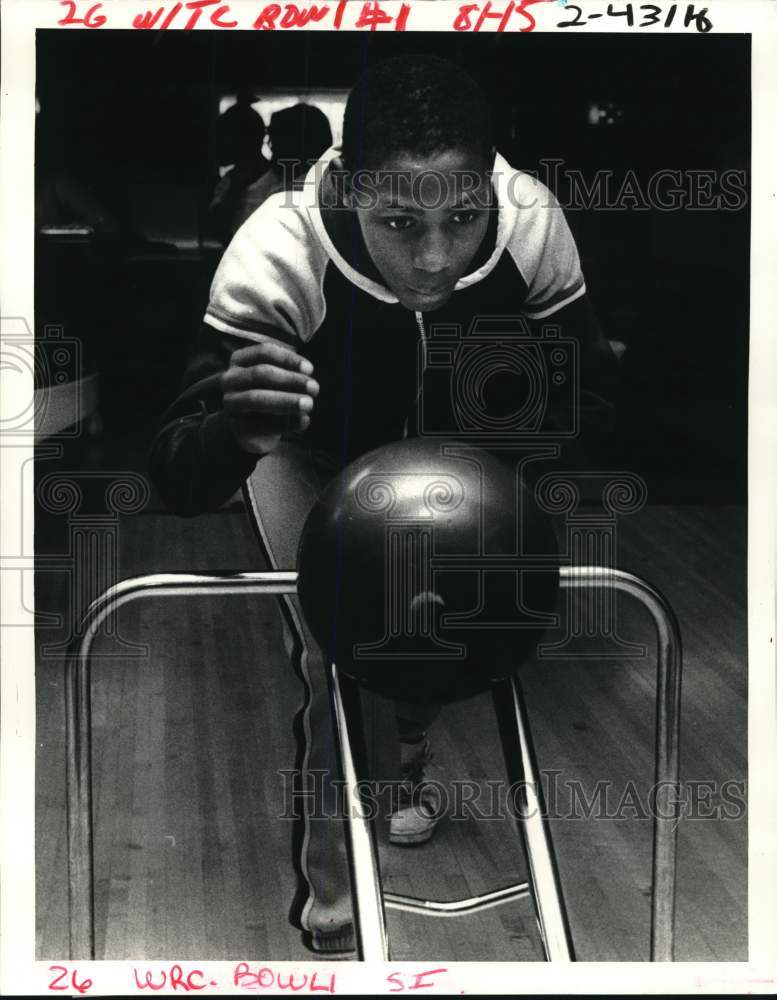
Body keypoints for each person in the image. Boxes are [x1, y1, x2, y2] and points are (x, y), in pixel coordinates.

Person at [150, 54, 619, 956]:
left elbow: (590, 407)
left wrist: (519, 437)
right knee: (334, 655)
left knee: (436, 633)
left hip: (463, 457)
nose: (434, 258)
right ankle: (334, 907)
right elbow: (176, 473)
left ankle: (400, 763)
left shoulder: (529, 224)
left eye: (460, 217)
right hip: (310, 453)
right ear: (349, 185)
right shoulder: (276, 250)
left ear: (491, 187)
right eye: (400, 222)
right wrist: (236, 430)